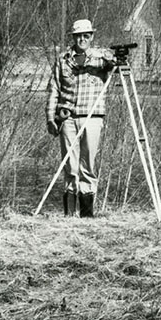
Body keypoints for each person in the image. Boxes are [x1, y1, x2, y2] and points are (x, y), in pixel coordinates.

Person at [46, 19, 114, 217]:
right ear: (73, 37)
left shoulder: (100, 57)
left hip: (92, 118)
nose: (82, 39)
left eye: (86, 36)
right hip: (68, 119)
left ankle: (86, 214)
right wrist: (51, 118)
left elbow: (111, 62)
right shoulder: (63, 59)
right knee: (70, 166)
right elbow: (54, 89)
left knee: (88, 165)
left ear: (91, 37)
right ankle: (69, 214)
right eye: (78, 36)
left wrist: (105, 59)